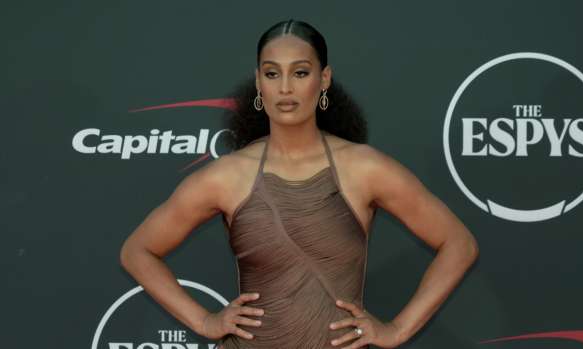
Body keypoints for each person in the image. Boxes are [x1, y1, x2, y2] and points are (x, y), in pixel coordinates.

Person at [120, 19, 479, 349]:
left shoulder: (365, 168)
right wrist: (203, 320)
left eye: (301, 72)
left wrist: (396, 330)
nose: (286, 88)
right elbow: (138, 251)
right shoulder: (226, 176)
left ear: (323, 80)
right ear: (259, 82)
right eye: (272, 74)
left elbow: (458, 243)